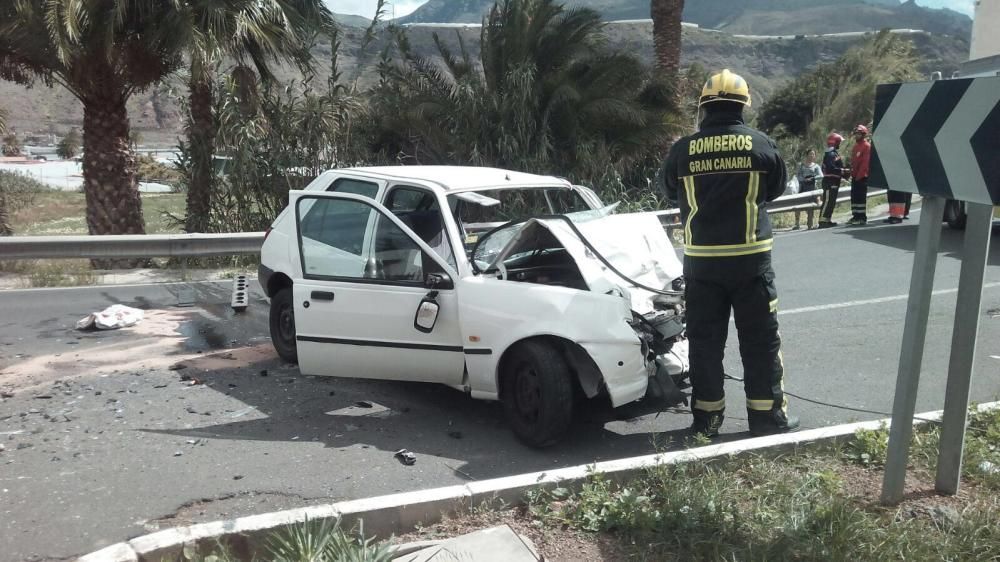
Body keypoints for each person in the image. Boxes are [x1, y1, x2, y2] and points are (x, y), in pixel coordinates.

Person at [659, 68, 799, 438]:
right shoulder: (761, 145)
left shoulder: (682, 151)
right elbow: (775, 190)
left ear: (704, 107)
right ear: (744, 105)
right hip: (752, 263)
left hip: (702, 266)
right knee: (761, 342)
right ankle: (767, 419)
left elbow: (670, 192)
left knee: (705, 344)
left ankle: (707, 421)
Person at [818, 133, 848, 228]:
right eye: (839, 142)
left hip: (834, 181)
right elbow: (831, 168)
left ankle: (827, 219)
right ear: (835, 142)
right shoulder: (830, 154)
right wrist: (842, 171)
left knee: (831, 201)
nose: (840, 144)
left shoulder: (833, 153)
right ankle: (822, 221)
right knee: (827, 201)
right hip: (830, 181)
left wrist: (843, 173)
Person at [847, 124, 871, 226]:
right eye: (856, 134)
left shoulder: (867, 146)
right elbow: (853, 162)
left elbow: (865, 163)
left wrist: (859, 175)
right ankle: (855, 216)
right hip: (855, 176)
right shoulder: (856, 146)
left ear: (863, 134)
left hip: (862, 177)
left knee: (860, 198)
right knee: (854, 197)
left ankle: (861, 217)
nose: (856, 135)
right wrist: (852, 174)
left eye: (859, 134)